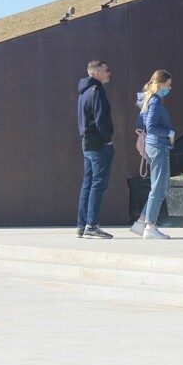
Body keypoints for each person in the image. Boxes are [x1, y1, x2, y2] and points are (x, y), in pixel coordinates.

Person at [130, 70, 175, 239]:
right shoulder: (155, 100)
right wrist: (169, 132)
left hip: (152, 147)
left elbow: (141, 124)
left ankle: (142, 222)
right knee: (158, 188)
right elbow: (151, 126)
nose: (169, 89)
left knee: (160, 187)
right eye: (168, 85)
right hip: (158, 147)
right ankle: (150, 225)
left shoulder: (146, 98)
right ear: (161, 84)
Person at [76, 60, 115, 239]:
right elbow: (101, 119)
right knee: (97, 185)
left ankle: (81, 225)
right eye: (107, 70)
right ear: (96, 73)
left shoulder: (83, 92)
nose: (109, 73)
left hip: (87, 144)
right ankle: (91, 226)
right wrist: (107, 139)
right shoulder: (96, 91)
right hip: (98, 145)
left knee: (88, 184)